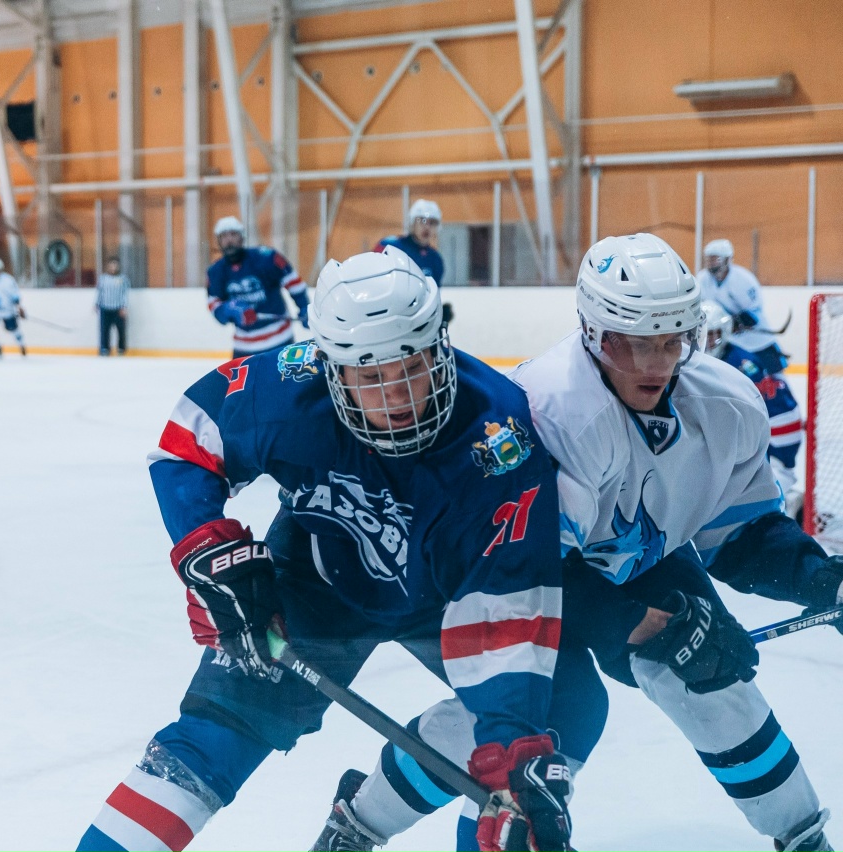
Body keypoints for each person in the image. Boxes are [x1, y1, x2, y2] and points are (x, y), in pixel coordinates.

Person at [312, 234, 839, 852]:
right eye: (634, 342)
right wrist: (645, 624)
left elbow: (741, 534)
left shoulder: (727, 405)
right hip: (492, 570)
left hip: (620, 557)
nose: (656, 364)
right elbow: (527, 565)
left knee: (712, 685)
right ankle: (363, 821)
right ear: (594, 333)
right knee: (557, 711)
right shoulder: (548, 411)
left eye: (671, 341)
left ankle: (802, 836)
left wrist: (823, 580)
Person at [75, 247, 576, 852]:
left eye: (411, 367)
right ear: (332, 370)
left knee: (557, 715)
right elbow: (188, 441)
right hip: (315, 587)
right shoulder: (291, 388)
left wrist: (513, 747)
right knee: (214, 739)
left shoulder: (499, 436)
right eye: (370, 377)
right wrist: (206, 548)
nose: (395, 396)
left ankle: (365, 825)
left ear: (440, 347)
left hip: (449, 601)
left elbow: (510, 596)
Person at [703, 300, 804, 518]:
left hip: (778, 431)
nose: (709, 341)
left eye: (714, 334)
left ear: (726, 331)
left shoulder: (740, 363)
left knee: (746, 501)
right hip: (768, 428)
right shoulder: (726, 358)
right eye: (704, 334)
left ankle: (785, 495)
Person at [206, 216, 308, 357]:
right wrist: (228, 309)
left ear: (242, 237)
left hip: (280, 343)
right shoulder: (215, 271)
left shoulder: (266, 257)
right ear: (219, 241)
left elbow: (293, 282)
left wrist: (305, 307)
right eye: (224, 236)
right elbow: (214, 305)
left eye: (233, 234)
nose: (229, 240)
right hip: (243, 349)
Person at [698, 238, 788, 377]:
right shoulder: (702, 279)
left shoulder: (743, 280)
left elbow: (753, 315)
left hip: (757, 341)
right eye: (709, 259)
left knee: (776, 378)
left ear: (728, 259)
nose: (711, 263)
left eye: (716, 258)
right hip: (729, 343)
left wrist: (734, 322)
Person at [375, 199, 450, 325]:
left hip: (416, 325)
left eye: (432, 222)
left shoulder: (436, 260)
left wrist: (438, 314)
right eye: (422, 221)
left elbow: (431, 298)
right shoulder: (389, 246)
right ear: (412, 222)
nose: (427, 227)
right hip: (387, 320)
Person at [95, 256, 129, 356]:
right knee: (104, 330)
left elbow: (125, 294)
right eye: (111, 265)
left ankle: (121, 349)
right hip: (105, 308)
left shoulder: (123, 279)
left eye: (115, 265)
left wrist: (124, 306)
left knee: (121, 330)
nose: (113, 267)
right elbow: (99, 292)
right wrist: (96, 304)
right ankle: (104, 348)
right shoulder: (103, 278)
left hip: (118, 308)